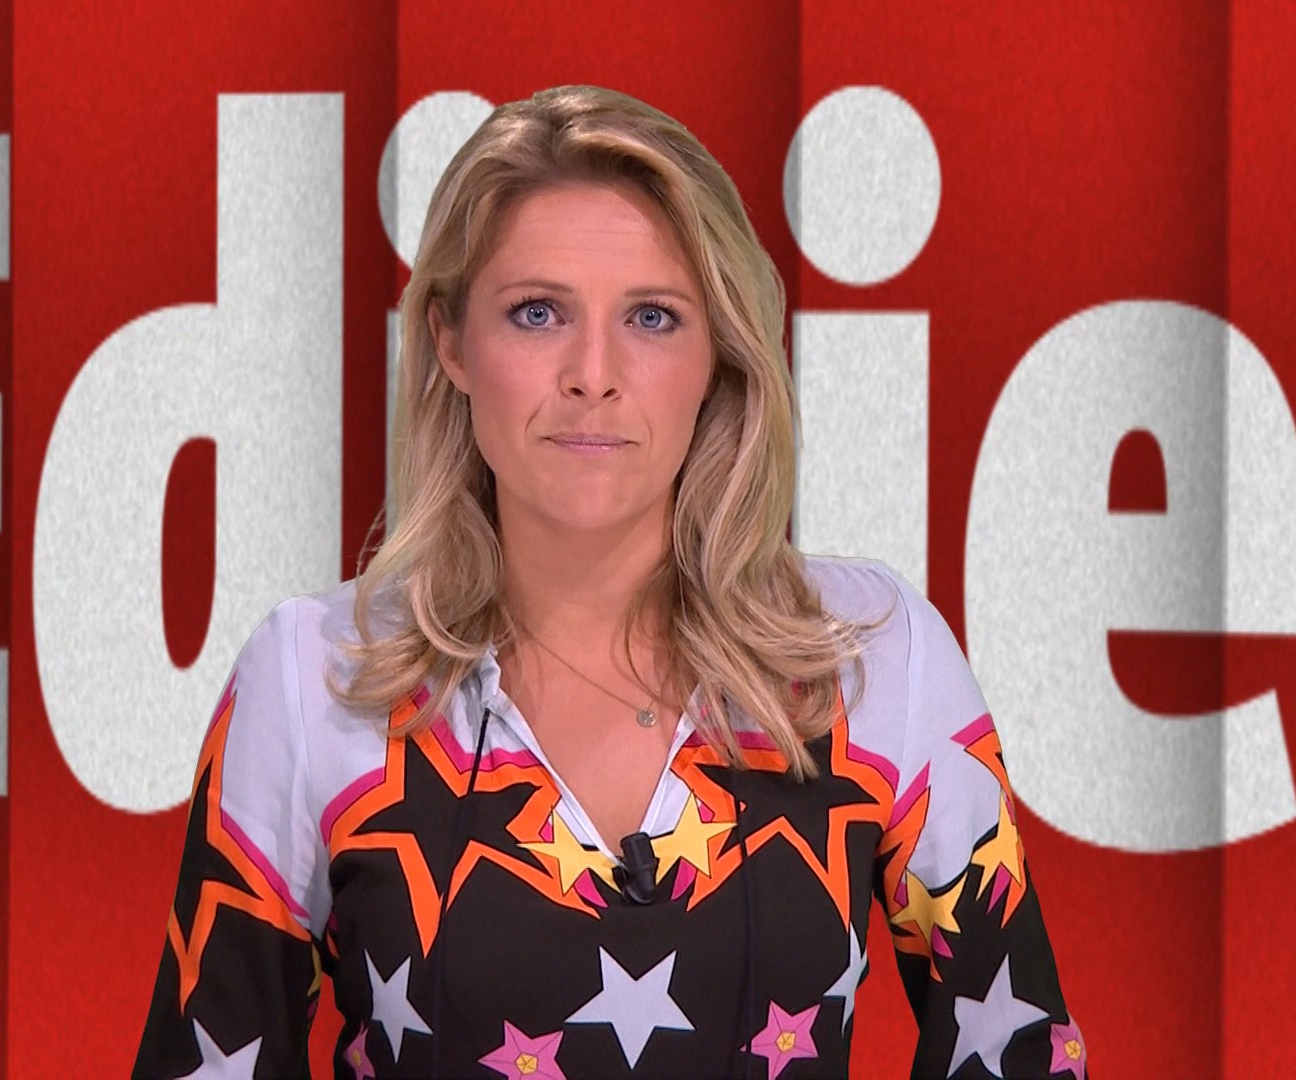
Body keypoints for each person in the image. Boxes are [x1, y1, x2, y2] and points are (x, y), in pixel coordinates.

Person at [131, 84, 1086, 1080]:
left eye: (653, 317)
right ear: (452, 344)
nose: (594, 373)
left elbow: (1023, 1056)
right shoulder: (317, 677)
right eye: (537, 313)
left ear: (720, 354)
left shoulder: (874, 660)